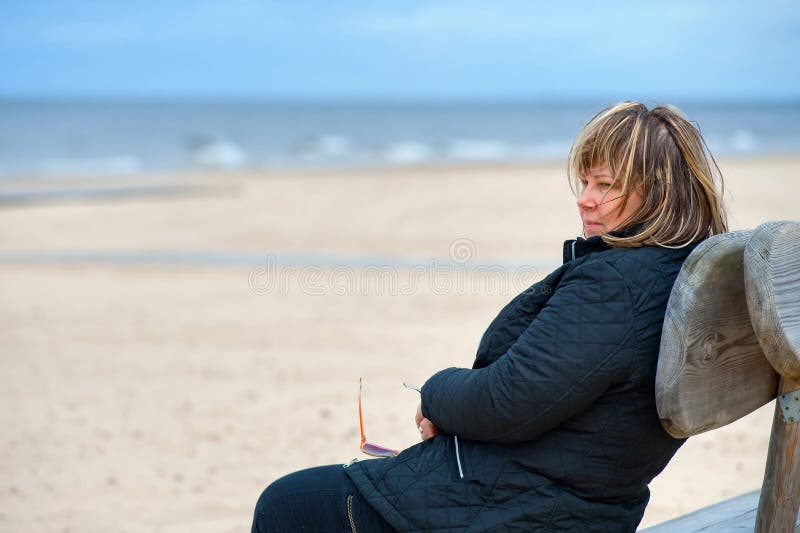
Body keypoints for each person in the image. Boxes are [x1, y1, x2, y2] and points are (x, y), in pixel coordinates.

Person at [251, 101, 728, 532]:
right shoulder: (676, 267)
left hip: (528, 508)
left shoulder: (618, 286)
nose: (584, 198)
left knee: (288, 504)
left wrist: (435, 394)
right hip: (577, 494)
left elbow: (505, 403)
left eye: (606, 185)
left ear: (661, 193)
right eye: (585, 181)